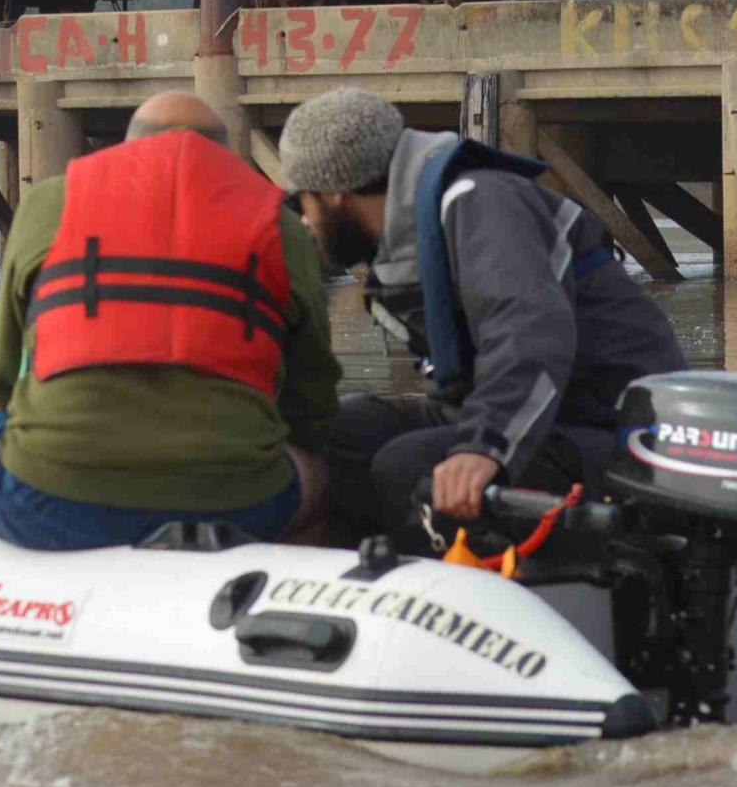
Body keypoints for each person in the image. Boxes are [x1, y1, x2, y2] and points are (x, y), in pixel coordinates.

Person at [274, 87, 686, 553]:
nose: (304, 223)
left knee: (407, 466)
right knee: (337, 433)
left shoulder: (480, 201)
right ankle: (357, 581)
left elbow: (528, 329)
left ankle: (447, 600)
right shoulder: (415, 227)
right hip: (544, 418)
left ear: (332, 194)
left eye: (303, 203)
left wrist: (482, 447)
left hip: (613, 430)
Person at [0, 91, 342, 549]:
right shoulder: (281, 227)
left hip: (46, 503)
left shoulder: (48, 203)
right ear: (226, 156)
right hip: (240, 506)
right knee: (319, 474)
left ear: (127, 147)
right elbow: (312, 401)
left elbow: (3, 380)